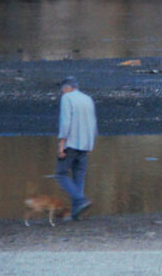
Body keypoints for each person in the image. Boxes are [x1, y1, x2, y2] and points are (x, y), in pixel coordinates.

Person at [55, 76, 97, 221]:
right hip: (85, 144)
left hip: (71, 143)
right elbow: (93, 122)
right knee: (79, 177)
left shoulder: (67, 98)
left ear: (66, 88)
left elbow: (65, 122)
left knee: (60, 174)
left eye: (62, 90)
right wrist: (91, 143)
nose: (61, 93)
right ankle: (75, 213)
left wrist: (61, 145)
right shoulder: (87, 99)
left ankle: (80, 200)